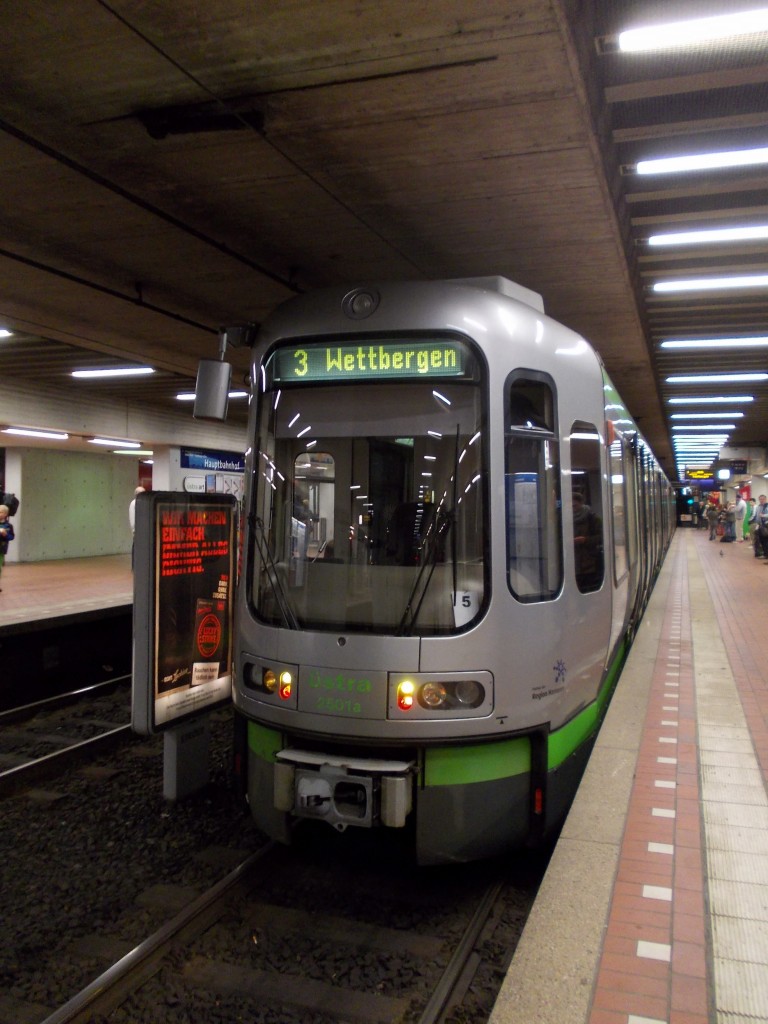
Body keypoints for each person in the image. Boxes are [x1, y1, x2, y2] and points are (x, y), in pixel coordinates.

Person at [129, 486, 145, 568]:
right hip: (137, 530)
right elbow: (132, 518)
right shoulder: (134, 503)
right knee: (136, 548)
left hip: (143, 530)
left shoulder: (143, 503)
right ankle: (134, 566)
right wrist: (134, 530)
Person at [0, 504, 15, 592]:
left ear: (5, 514)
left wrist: (6, 535)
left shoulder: (8, 526)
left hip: (1, 549)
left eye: (1, 512)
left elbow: (11, 537)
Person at [756, 494, 768, 561]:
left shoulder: (767, 506)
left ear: (766, 499)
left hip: (766, 526)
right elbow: (757, 515)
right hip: (760, 526)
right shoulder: (759, 506)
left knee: (765, 540)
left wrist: (763, 515)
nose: (761, 500)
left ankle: (766, 554)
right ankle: (765, 554)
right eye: (760, 499)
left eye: (763, 499)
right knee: (762, 540)